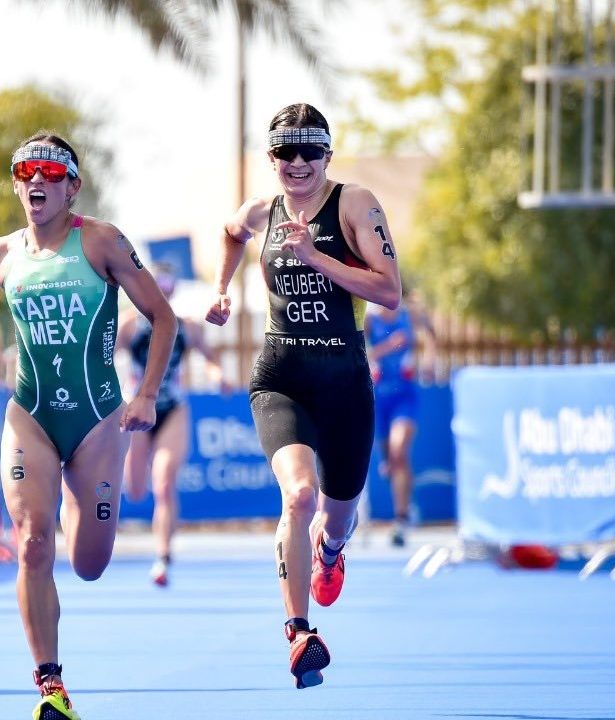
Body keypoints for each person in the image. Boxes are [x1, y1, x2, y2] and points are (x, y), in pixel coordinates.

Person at [0, 133, 177, 720]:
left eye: (49, 171)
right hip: (32, 415)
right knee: (32, 542)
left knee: (90, 565)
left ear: (72, 186)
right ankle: (50, 685)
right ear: (18, 184)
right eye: (24, 172)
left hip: (97, 419)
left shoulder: (101, 241)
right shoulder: (1, 252)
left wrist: (145, 395)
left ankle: (75, 504)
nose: (35, 181)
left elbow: (163, 317)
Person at [206, 103, 402, 690]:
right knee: (299, 495)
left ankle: (333, 548)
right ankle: (298, 633)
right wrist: (221, 292)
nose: (297, 163)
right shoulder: (261, 211)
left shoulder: (355, 204)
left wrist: (317, 258)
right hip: (281, 373)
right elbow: (230, 232)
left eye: (309, 152)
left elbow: (390, 291)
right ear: (271, 159)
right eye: (285, 153)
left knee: (336, 513)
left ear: (327, 156)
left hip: (343, 378)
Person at [119, 262, 230, 587]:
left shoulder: (187, 328)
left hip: (171, 408)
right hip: (138, 409)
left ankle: (163, 556)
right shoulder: (129, 326)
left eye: (166, 288)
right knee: (136, 489)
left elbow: (210, 358)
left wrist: (219, 376)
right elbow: (99, 354)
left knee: (164, 482)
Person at [364, 296, 431, 547]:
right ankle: (390, 465)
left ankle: (401, 520)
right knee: (390, 458)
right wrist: (386, 348)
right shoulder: (369, 320)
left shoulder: (409, 314)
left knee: (399, 451)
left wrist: (429, 358)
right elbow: (360, 351)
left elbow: (430, 333)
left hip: (405, 395)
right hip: (379, 397)